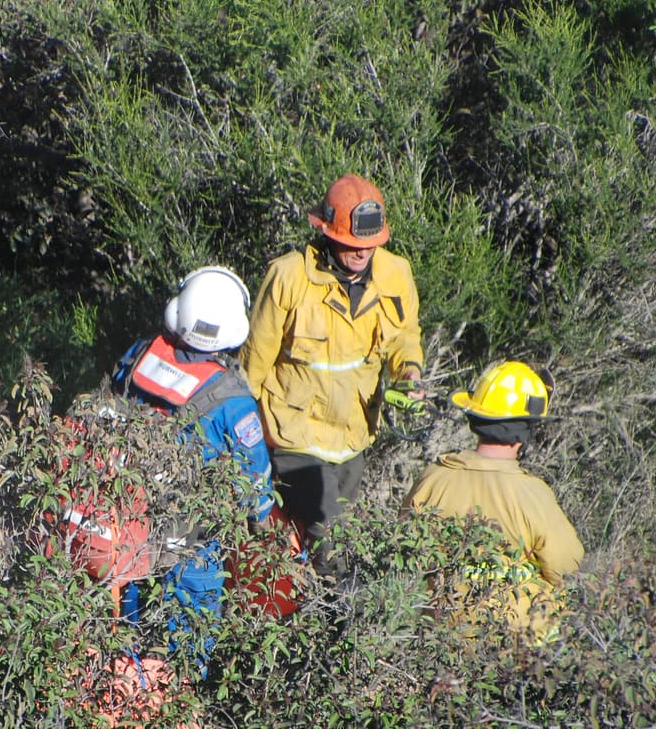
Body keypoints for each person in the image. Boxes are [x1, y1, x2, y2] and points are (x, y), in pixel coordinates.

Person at [241, 173, 423, 574]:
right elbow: (253, 364)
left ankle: (305, 612)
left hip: (352, 438)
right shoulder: (289, 278)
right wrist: (241, 439)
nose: (362, 254)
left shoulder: (396, 275)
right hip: (294, 437)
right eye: (352, 244)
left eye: (370, 246)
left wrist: (409, 373)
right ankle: (340, 621)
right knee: (332, 539)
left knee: (332, 537)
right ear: (326, 233)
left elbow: (404, 336)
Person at [112, 264, 276, 653]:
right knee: (188, 637)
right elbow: (255, 480)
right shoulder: (232, 400)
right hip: (190, 539)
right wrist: (263, 523)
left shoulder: (140, 356)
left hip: (129, 520)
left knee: (126, 629)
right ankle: (179, 706)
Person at [404, 360, 584, 644]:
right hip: (518, 648)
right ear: (525, 430)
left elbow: (405, 550)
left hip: (444, 640)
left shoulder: (433, 479)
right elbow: (568, 569)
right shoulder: (532, 494)